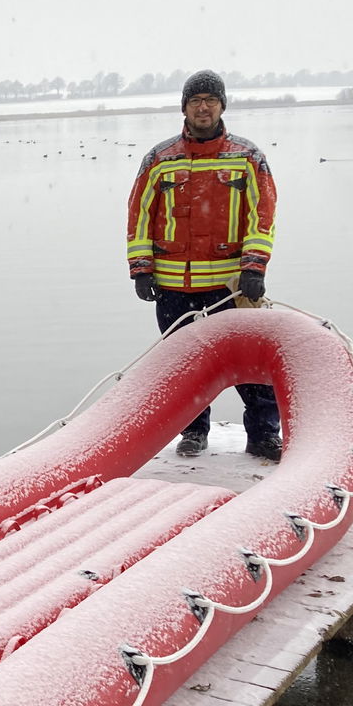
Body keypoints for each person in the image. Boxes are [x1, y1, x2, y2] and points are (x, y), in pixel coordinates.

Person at [125, 69, 282, 461]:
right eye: (196, 101)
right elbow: (139, 217)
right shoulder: (159, 159)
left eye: (211, 100)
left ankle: (263, 435)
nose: (203, 107)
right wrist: (141, 269)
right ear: (184, 108)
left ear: (222, 105)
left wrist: (254, 268)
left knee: (251, 365)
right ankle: (194, 433)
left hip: (231, 287)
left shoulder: (247, 157)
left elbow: (262, 216)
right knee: (185, 369)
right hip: (174, 288)